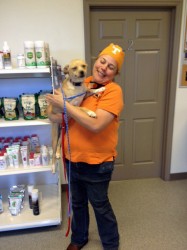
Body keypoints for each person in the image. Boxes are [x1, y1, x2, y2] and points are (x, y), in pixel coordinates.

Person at [46, 43, 125, 250]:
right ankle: (79, 238)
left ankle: (111, 244)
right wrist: (56, 111)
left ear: (115, 73)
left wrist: (65, 106)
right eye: (102, 61)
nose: (103, 68)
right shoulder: (82, 82)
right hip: (72, 157)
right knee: (78, 203)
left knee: (100, 205)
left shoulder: (113, 91)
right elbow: (56, 117)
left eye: (111, 67)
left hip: (97, 162)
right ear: (95, 61)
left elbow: (96, 124)